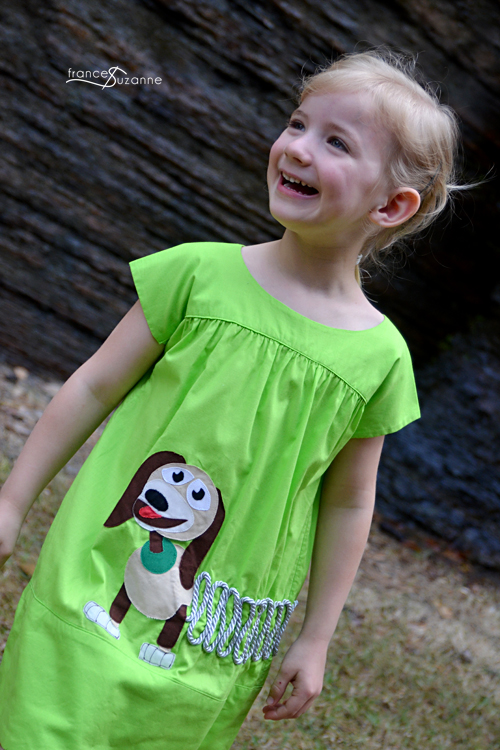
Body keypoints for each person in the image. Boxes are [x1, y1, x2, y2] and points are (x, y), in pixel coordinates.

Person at [0, 48, 460, 750]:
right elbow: (93, 384)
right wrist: (11, 502)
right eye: (298, 124)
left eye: (336, 142)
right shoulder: (197, 275)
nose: (297, 148)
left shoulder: (380, 359)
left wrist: (317, 637)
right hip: (97, 570)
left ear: (391, 205)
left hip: (217, 628)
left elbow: (348, 502)